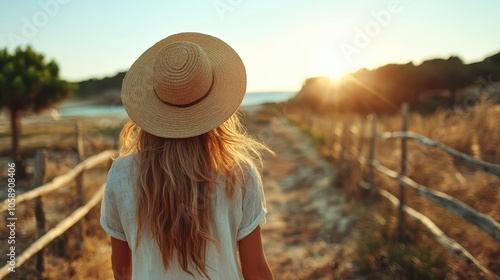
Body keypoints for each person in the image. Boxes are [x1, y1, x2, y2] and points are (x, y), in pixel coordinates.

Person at [100, 32, 274, 280]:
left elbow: (121, 269)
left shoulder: (120, 175)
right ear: (216, 105)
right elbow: (255, 270)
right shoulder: (240, 172)